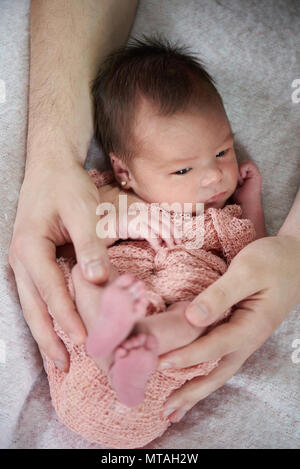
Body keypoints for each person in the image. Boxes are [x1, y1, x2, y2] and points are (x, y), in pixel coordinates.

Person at [8, 0, 300, 429]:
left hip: (166, 353)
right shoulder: (106, 193)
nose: (211, 178)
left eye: (222, 151)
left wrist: (252, 200)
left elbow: (252, 254)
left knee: (197, 317)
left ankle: (138, 344)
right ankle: (113, 333)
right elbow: (74, 237)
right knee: (87, 277)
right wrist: (121, 221)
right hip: (93, 339)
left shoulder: (221, 216)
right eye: (182, 169)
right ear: (124, 170)